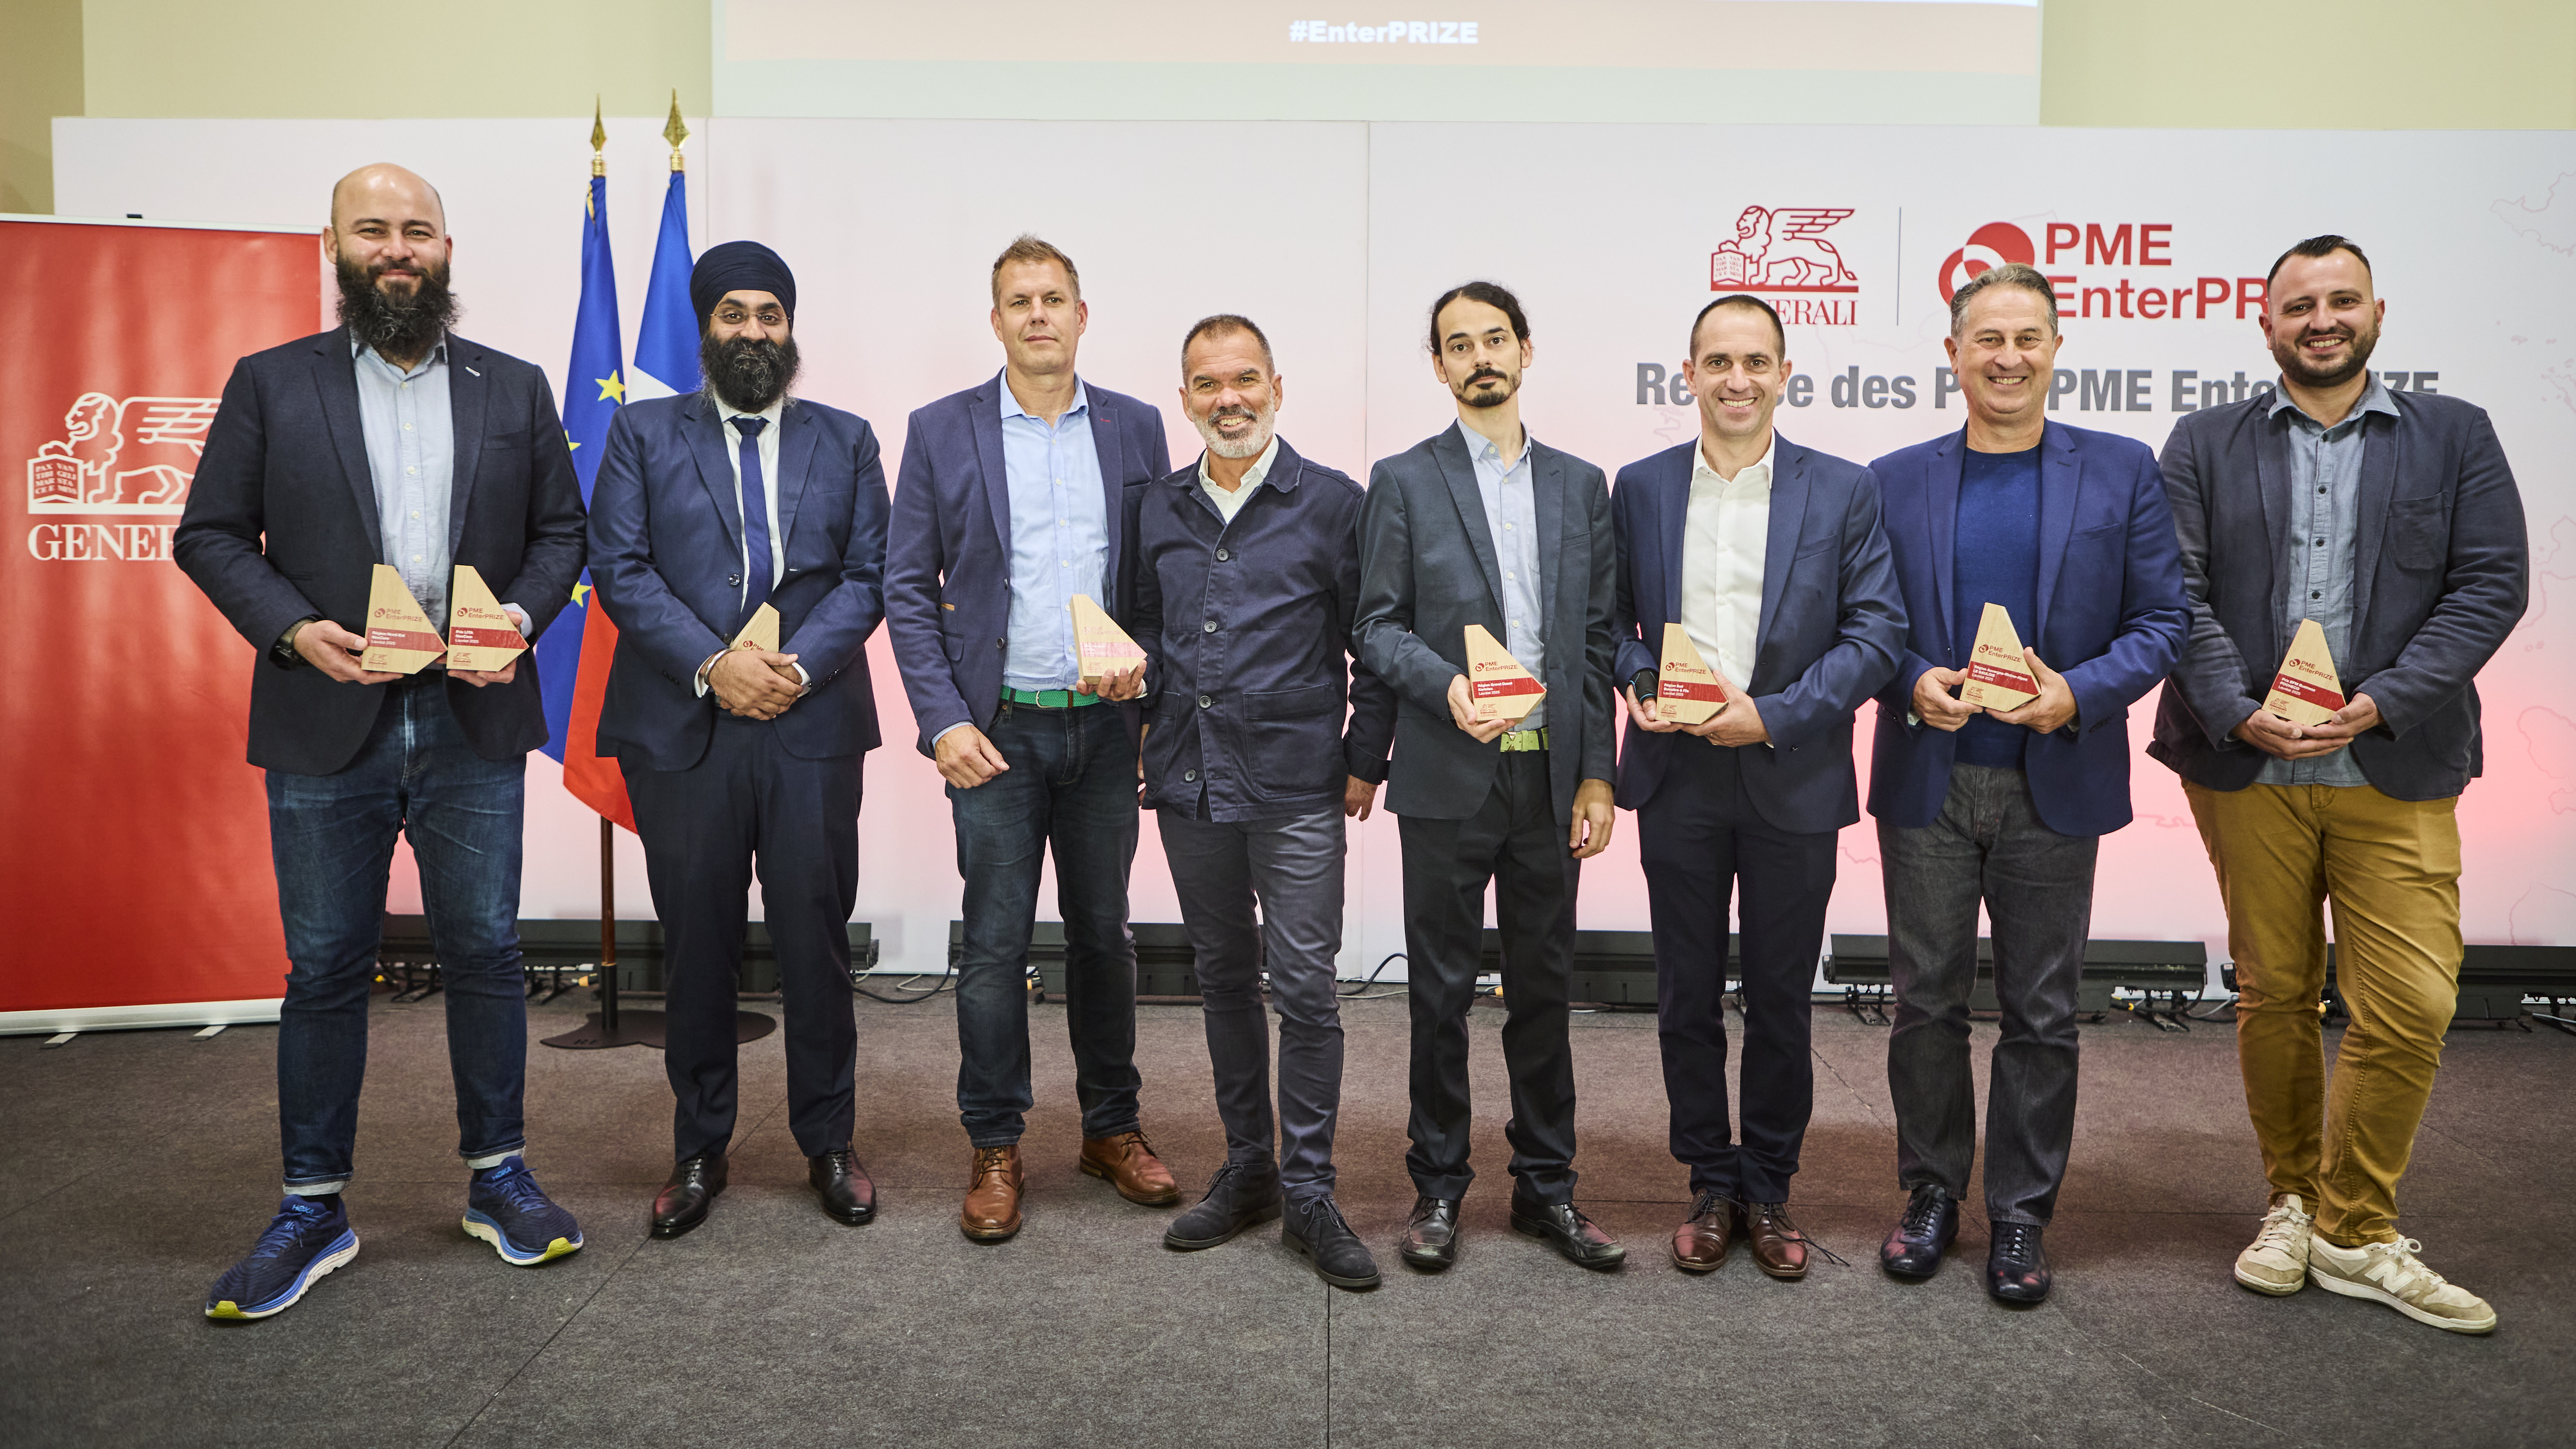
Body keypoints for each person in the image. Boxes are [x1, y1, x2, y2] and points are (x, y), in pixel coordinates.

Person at [176, 163, 589, 1318]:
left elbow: (564, 532)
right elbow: (210, 533)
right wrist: (292, 628)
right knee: (323, 967)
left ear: (447, 249)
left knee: (487, 952)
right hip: (326, 716)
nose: (397, 248)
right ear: (334, 247)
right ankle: (312, 1205)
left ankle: (498, 1177)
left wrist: (521, 618)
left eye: (418, 229)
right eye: (374, 229)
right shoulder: (271, 383)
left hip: (472, 715)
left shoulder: (514, 386)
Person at [2154, 236, 2526, 1334]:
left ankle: (2354, 1226)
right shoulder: (2204, 441)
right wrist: (2234, 706)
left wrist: (2383, 700)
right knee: (2274, 991)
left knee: (2412, 1002)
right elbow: (2175, 590)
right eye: (2300, 305)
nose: (2322, 320)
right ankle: (2295, 1203)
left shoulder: (2456, 434)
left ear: (2377, 312)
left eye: (2342, 301)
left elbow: (2491, 584)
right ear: (2266, 323)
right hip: (2247, 765)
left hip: (2394, 762)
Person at [1865, 264, 2186, 1303]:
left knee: (2042, 1011)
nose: (2008, 358)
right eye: (1988, 339)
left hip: (2057, 778)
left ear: (2056, 348)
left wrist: (2076, 693)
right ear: (1952, 354)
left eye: (2028, 338)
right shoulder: (1891, 479)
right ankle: (1930, 1191)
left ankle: (2020, 1212)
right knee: (1924, 1005)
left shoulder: (2122, 470)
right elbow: (1864, 621)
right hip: (1930, 779)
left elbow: (2163, 622)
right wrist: (1911, 677)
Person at [588, 241, 892, 1239]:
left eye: (770, 314)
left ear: (790, 328)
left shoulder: (847, 439)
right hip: (685, 729)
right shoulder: (640, 433)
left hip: (811, 723)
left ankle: (830, 1142)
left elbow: (870, 575)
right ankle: (699, 1145)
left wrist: (794, 668)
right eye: (734, 314)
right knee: (697, 943)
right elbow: (620, 568)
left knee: (817, 941)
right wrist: (717, 665)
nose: (754, 331)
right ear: (706, 327)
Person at [884, 236, 1178, 1242]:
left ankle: (1111, 1129)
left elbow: (1161, 576)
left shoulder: (1137, 427)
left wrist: (1152, 681)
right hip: (995, 732)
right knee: (995, 943)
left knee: (1105, 937)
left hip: (1105, 731)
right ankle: (996, 1145)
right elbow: (907, 588)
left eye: (1054, 298)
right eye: (1020, 301)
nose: (1039, 314)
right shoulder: (941, 430)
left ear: (1082, 316)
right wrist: (943, 720)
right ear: (997, 320)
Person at [1611, 294, 1905, 1282]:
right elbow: (1611, 621)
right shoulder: (1641, 486)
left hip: (1794, 770)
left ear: (1785, 374)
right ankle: (1710, 1180)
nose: (1736, 380)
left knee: (1782, 998)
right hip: (1678, 775)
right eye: (1718, 362)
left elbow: (1877, 634)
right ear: (1688, 374)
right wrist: (1639, 680)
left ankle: (1770, 1185)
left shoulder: (1845, 489)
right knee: (1685, 995)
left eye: (1755, 362)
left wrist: (1772, 714)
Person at [1354, 281, 1623, 1272]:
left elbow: (1595, 642)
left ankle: (1548, 1188)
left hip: (1548, 780)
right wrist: (1447, 687)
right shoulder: (1402, 480)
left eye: (1495, 339)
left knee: (1544, 992)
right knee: (1438, 996)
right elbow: (1375, 625)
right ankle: (1437, 1187)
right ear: (1438, 366)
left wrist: (1598, 776)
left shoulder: (1581, 485)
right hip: (1445, 773)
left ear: (1525, 351)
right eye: (1459, 344)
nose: (1480, 357)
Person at [1129, 314, 1395, 1289]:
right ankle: (1250, 1168)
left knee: (1308, 989)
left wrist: (1364, 761)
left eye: (1245, 379)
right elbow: (1146, 628)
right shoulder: (1157, 507)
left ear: (1278, 389)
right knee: (1222, 980)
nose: (1228, 398)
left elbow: (1377, 642)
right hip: (1188, 780)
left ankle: (1310, 1190)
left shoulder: (1334, 503)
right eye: (1208, 384)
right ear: (1185, 398)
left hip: (1296, 786)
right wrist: (1134, 686)